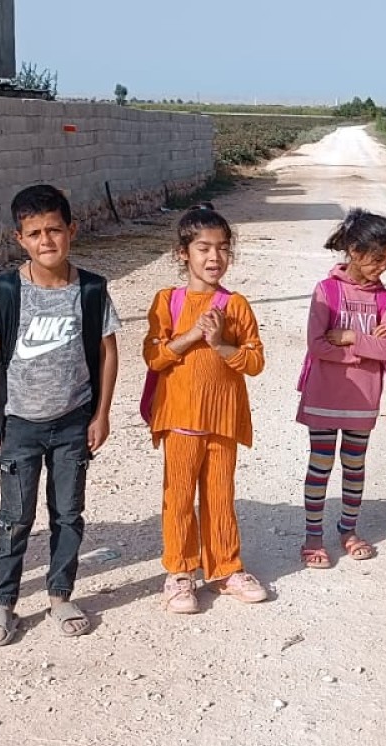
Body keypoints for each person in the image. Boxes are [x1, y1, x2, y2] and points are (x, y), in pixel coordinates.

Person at [0, 184, 119, 645]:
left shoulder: (91, 289)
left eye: (54, 230)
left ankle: (60, 594)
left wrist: (102, 414)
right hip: (19, 424)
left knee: (68, 514)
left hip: (73, 421)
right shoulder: (6, 290)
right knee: (15, 516)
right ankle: (3, 601)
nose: (46, 241)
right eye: (35, 233)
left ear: (71, 230)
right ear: (20, 238)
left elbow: (108, 350)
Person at [142, 204, 271, 613]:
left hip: (222, 421)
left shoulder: (236, 305)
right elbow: (154, 356)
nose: (214, 257)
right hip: (180, 420)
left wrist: (220, 344)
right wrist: (192, 335)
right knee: (178, 498)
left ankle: (225, 570)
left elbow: (254, 362)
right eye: (203, 248)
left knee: (220, 497)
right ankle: (180, 573)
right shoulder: (168, 301)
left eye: (222, 248)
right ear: (184, 253)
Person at [297, 209, 386, 568]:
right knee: (321, 464)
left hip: (363, 401)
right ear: (355, 251)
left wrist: (349, 337)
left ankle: (348, 529)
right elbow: (317, 346)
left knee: (354, 466)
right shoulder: (326, 291)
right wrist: (364, 351)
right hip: (326, 396)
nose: (383, 267)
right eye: (377, 259)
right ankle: (313, 534)